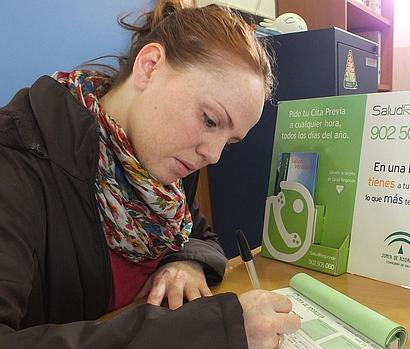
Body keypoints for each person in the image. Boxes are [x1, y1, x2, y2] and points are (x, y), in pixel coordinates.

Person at [0, 1, 300, 348]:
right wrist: (212, 330)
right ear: (150, 66)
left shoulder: (164, 167)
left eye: (229, 142)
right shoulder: (16, 165)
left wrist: (187, 263)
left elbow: (201, 236)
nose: (213, 155)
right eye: (210, 120)